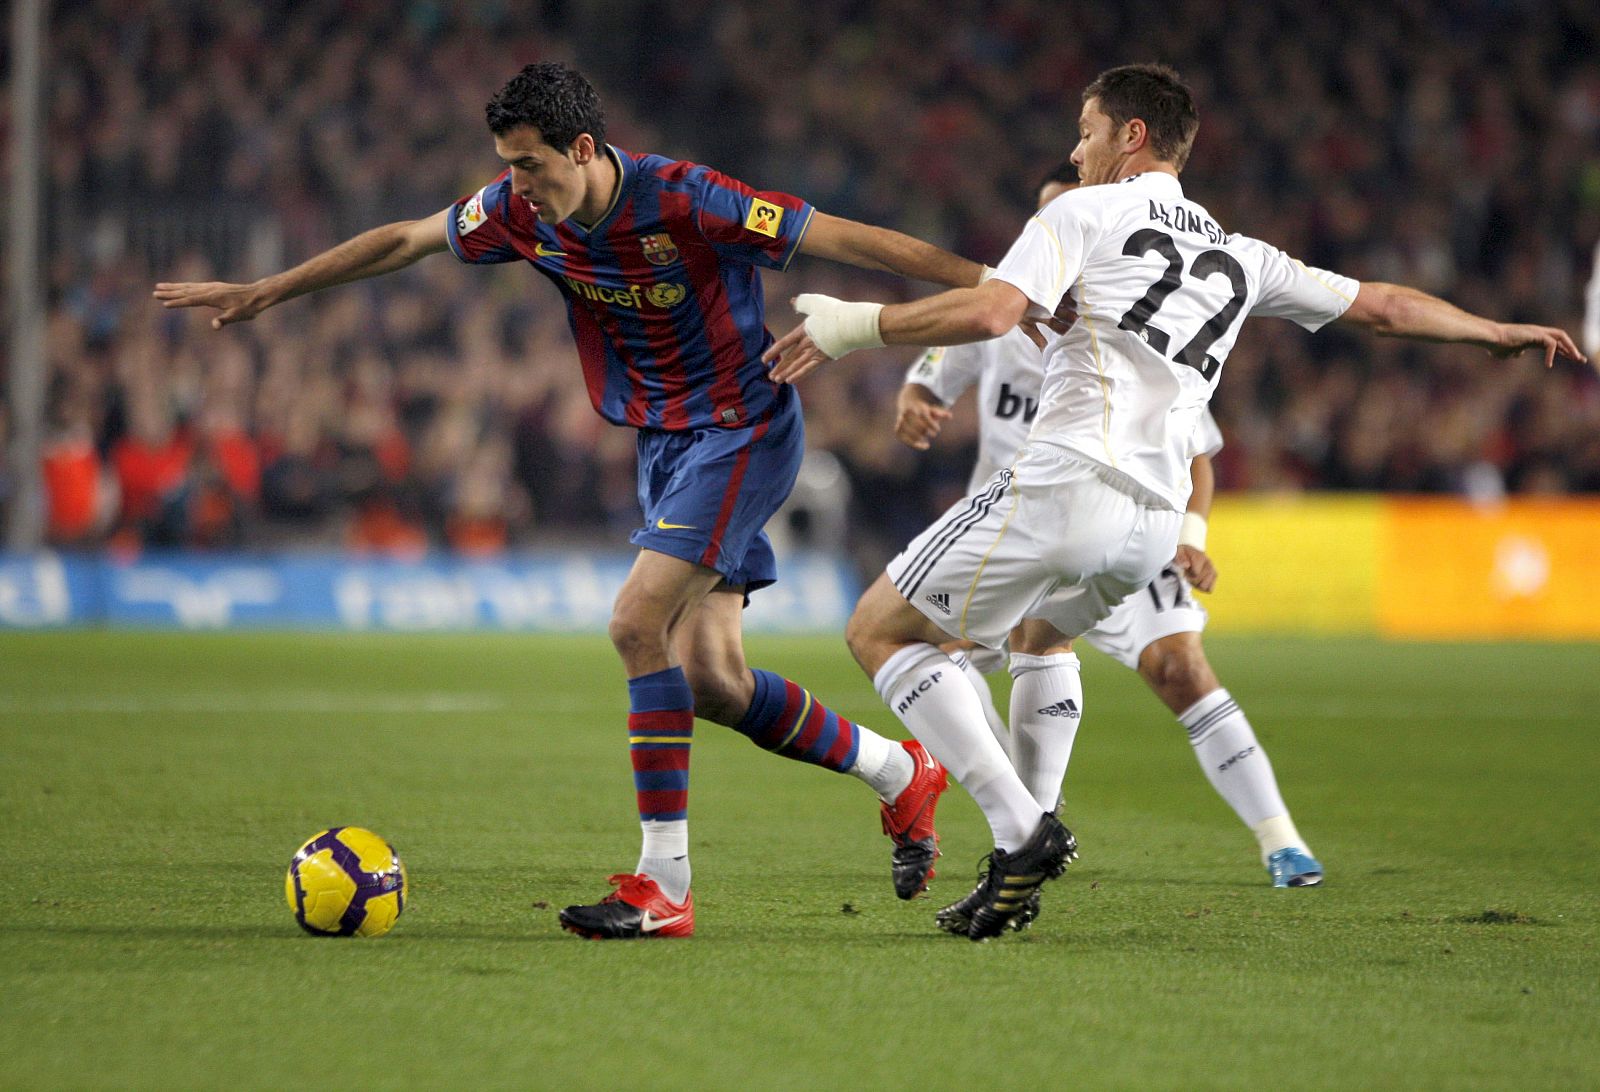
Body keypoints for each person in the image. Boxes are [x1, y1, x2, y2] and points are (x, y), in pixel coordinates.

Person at [155, 61, 986, 940]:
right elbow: (405, 240)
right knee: (713, 680)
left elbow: (847, 240)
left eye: (529, 165)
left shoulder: (690, 200)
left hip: (742, 430)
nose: (517, 186)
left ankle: (664, 885)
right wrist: (267, 292)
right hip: (664, 446)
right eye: (508, 166)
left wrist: (991, 284)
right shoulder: (519, 213)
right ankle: (901, 773)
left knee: (635, 625)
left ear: (583, 148)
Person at [765, 62, 1584, 940]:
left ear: (1132, 137)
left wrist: (855, 327)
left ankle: (1021, 828)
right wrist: (1491, 329)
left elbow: (995, 313)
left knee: (880, 631)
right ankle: (1021, 860)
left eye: (1085, 131)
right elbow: (1380, 305)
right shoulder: (1241, 253)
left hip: (1069, 481)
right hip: (1155, 522)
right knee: (1044, 636)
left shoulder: (1078, 212)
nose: (1074, 151)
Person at [895, 170, 1323, 917]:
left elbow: (1199, 453)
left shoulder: (1139, 322)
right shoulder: (1002, 307)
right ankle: (1024, 821)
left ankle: (1279, 836)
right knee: (948, 654)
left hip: (1126, 512)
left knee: (1180, 667)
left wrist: (1192, 532)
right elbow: (933, 376)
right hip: (1017, 524)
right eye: (1048, 218)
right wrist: (916, 402)